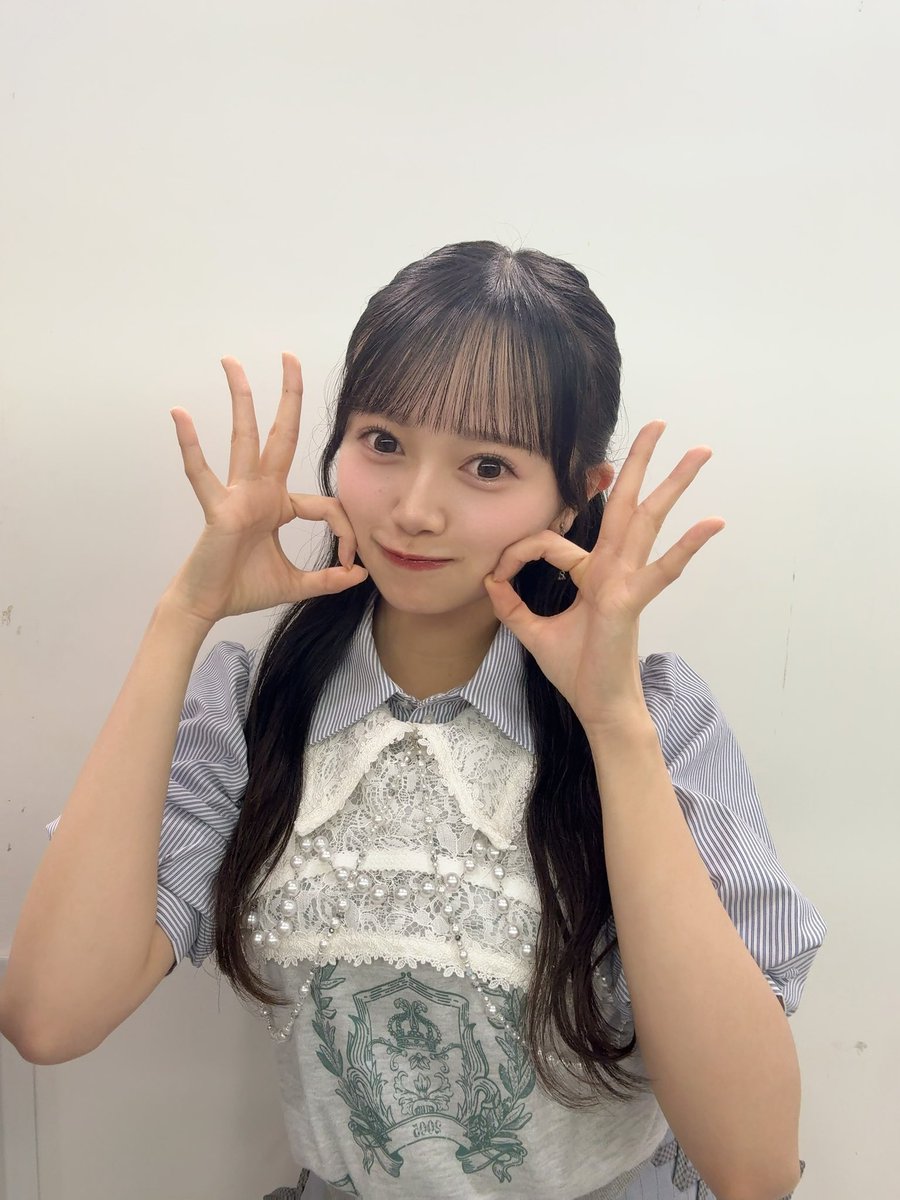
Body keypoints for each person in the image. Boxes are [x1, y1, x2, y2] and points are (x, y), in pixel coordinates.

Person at [1, 241, 826, 1200]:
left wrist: (612, 725)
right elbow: (50, 1017)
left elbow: (753, 1165)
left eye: (487, 465)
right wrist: (181, 619)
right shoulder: (254, 710)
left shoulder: (658, 722)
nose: (416, 510)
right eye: (384, 443)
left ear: (578, 496)